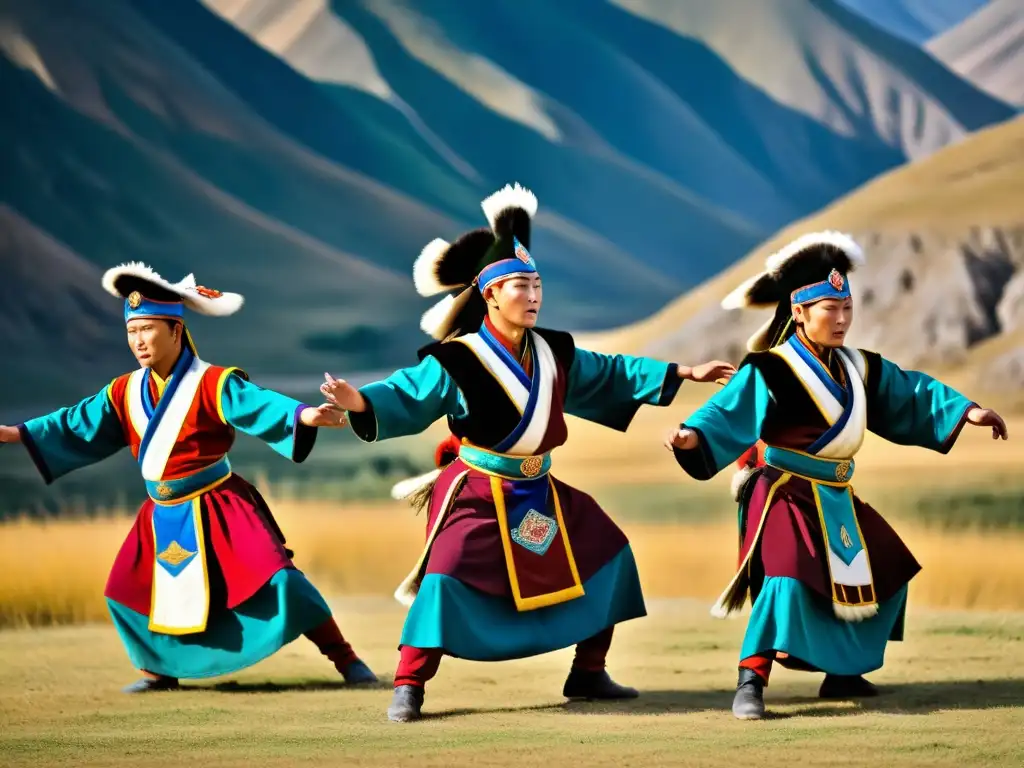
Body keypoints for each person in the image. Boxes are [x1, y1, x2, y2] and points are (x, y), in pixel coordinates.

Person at [320, 182, 736, 722]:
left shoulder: (554, 351)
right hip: (476, 491)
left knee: (608, 552)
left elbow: (610, 372)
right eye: (520, 284)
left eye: (538, 284)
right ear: (490, 294)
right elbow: (406, 392)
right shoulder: (457, 360)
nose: (534, 295)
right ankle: (409, 684)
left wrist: (682, 372)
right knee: (444, 577)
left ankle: (588, 672)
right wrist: (358, 401)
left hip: (540, 489)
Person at [665, 231, 1009, 720]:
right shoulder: (771, 369)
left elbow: (910, 393)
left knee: (889, 569)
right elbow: (727, 410)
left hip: (837, 496)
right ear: (799, 311)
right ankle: (750, 680)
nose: (842, 319)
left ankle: (843, 672)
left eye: (847, 308)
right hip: (783, 494)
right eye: (830, 308)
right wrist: (691, 437)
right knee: (785, 580)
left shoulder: (860, 368)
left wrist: (964, 411)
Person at [0, 264, 378, 692]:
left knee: (279, 578)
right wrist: (16, 433)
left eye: (148, 329)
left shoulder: (213, 382)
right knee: (125, 590)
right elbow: (76, 422)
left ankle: (346, 659)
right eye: (132, 331)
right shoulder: (123, 391)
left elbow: (258, 404)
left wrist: (305, 415)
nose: (138, 341)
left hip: (219, 503)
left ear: (176, 330)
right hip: (160, 512)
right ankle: (159, 671)